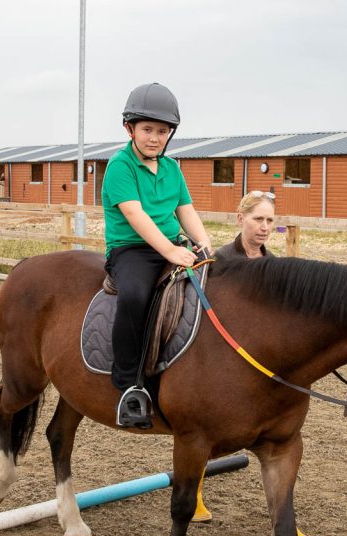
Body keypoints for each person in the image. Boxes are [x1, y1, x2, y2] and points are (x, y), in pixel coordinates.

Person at [190, 190, 319, 536]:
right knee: (206, 428)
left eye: (270, 221)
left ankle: (286, 527)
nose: (264, 227)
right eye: (258, 219)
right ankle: (195, 492)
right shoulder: (220, 263)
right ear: (240, 220)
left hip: (260, 366)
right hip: (221, 361)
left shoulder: (274, 267)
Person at [102, 82, 213, 429]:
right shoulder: (120, 166)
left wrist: (207, 248)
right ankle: (127, 383)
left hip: (174, 245)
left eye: (162, 131)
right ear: (129, 129)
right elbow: (136, 216)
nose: (154, 137)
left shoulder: (172, 169)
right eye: (147, 129)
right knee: (135, 296)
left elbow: (186, 211)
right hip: (131, 250)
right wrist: (169, 251)